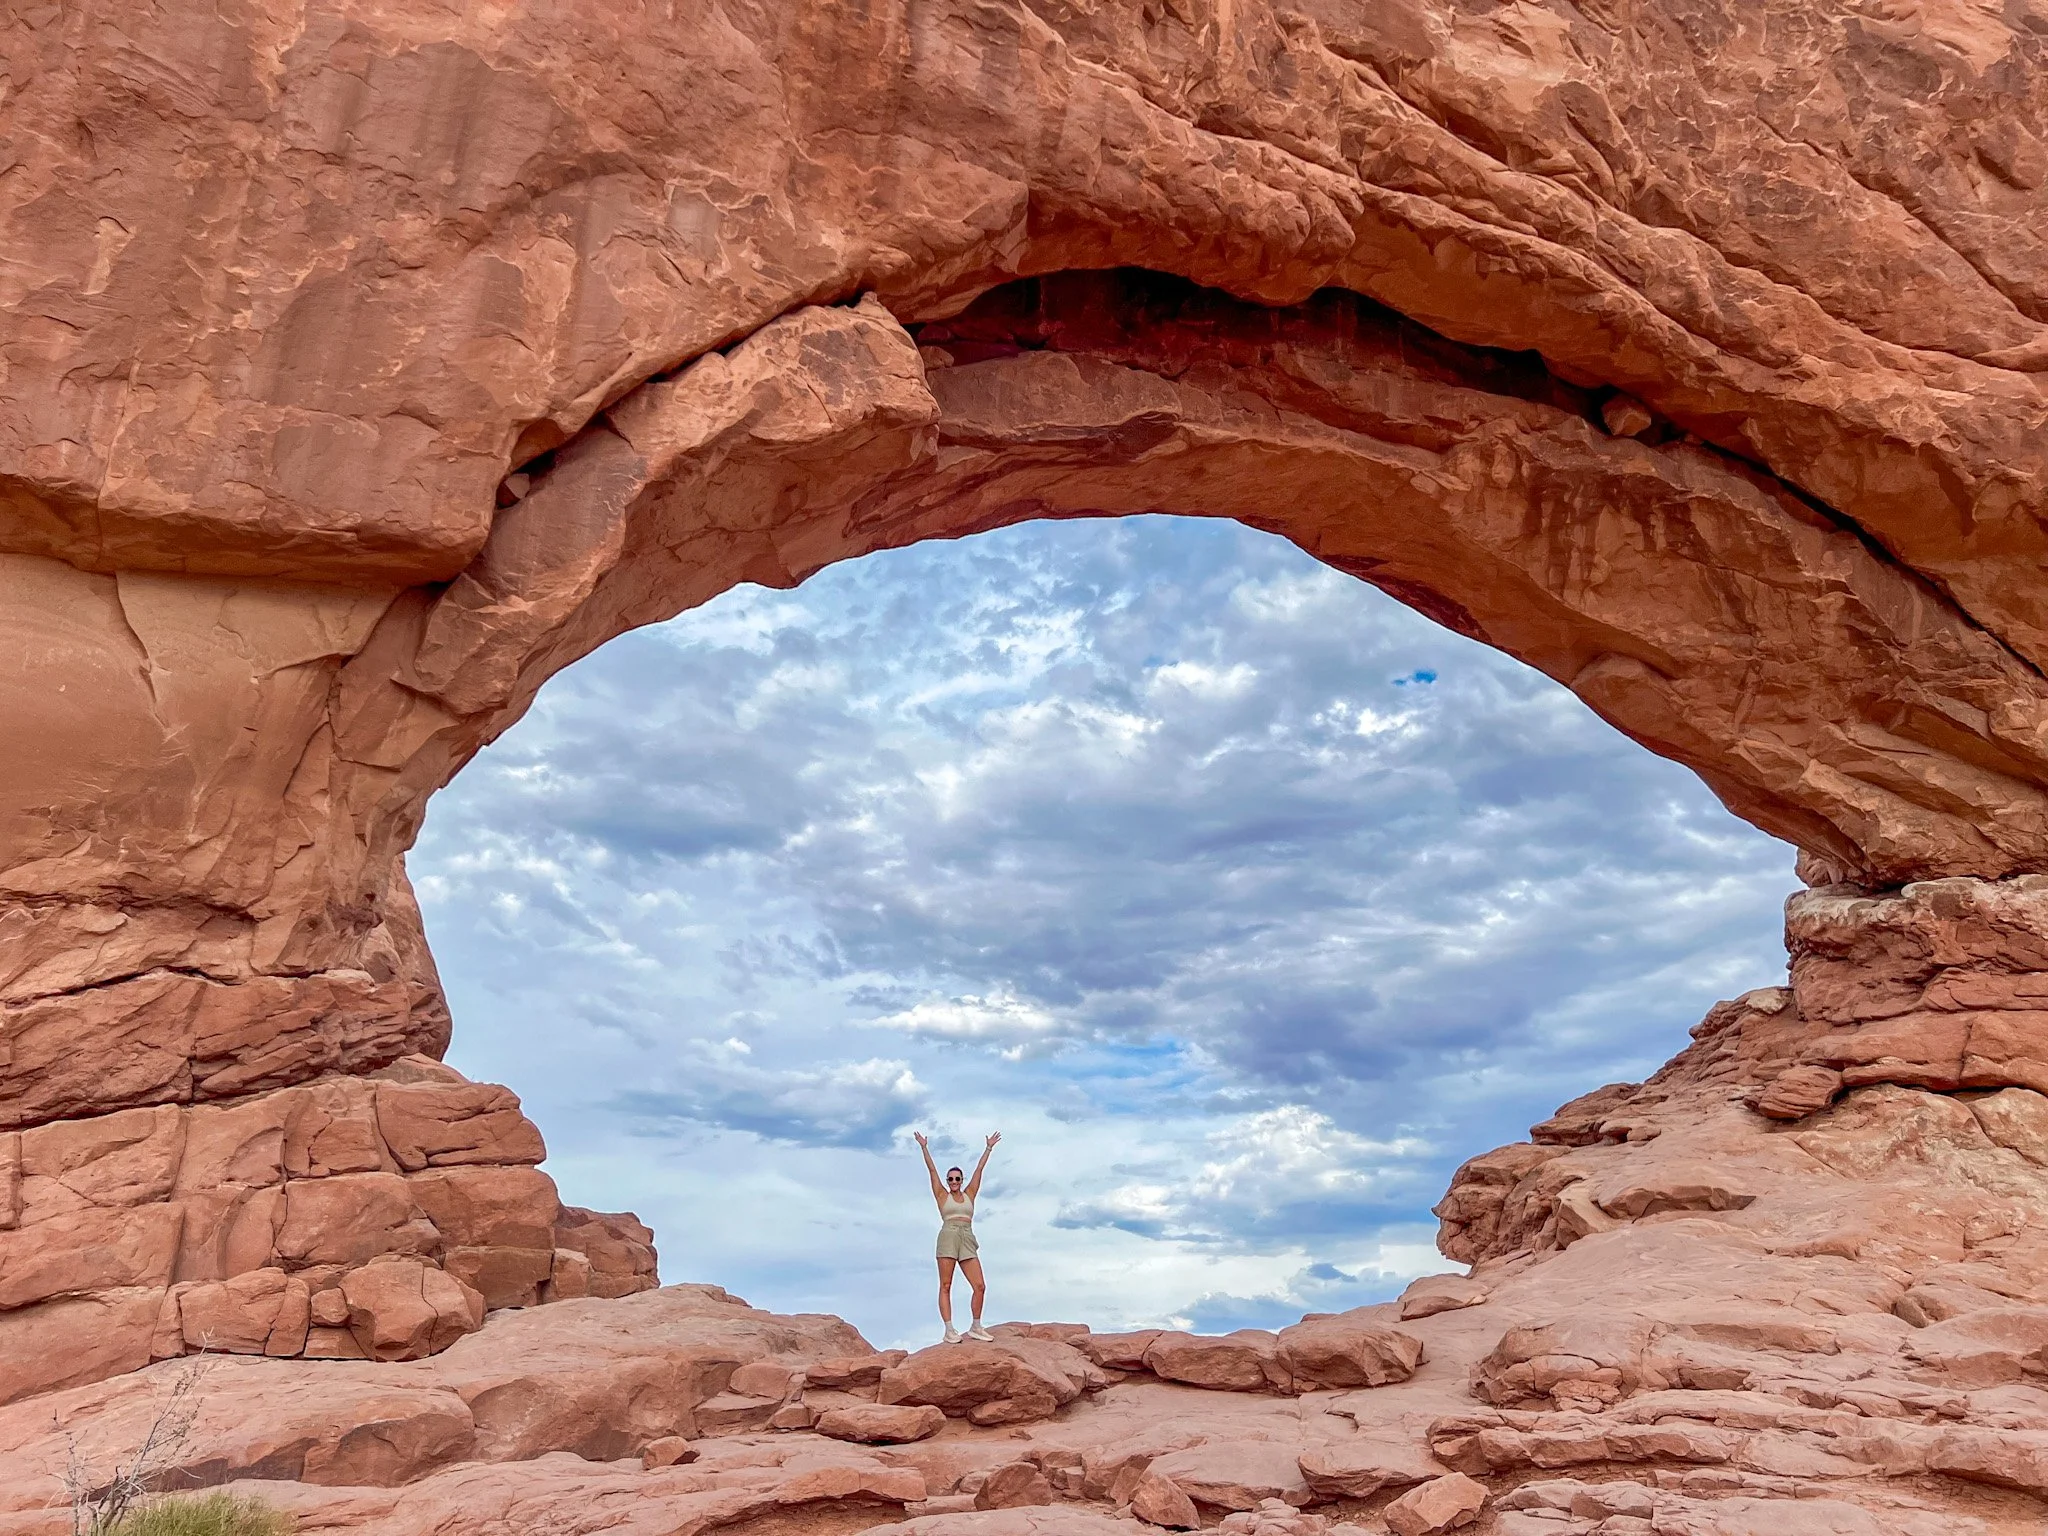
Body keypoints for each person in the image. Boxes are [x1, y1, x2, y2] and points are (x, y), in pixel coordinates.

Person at [914, 1129, 1000, 1342]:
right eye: (950, 1179)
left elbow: (979, 1169)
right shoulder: (942, 1195)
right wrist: (924, 1147)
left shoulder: (969, 1194)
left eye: (957, 1179)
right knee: (946, 1285)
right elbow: (932, 1170)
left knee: (980, 1286)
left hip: (967, 1236)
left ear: (962, 1180)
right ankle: (949, 1330)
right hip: (948, 1236)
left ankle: (976, 1326)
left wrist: (988, 1148)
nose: (954, 1181)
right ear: (947, 1181)